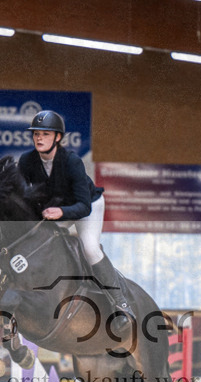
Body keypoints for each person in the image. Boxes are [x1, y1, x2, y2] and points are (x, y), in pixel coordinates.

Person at [17, 109, 135, 335]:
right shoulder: (27, 161)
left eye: (45, 134)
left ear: (57, 138)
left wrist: (60, 212)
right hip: (55, 210)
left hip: (86, 207)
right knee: (39, 241)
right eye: (36, 134)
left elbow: (83, 206)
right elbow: (23, 196)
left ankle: (121, 303)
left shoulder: (72, 162)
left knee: (89, 248)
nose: (39, 138)